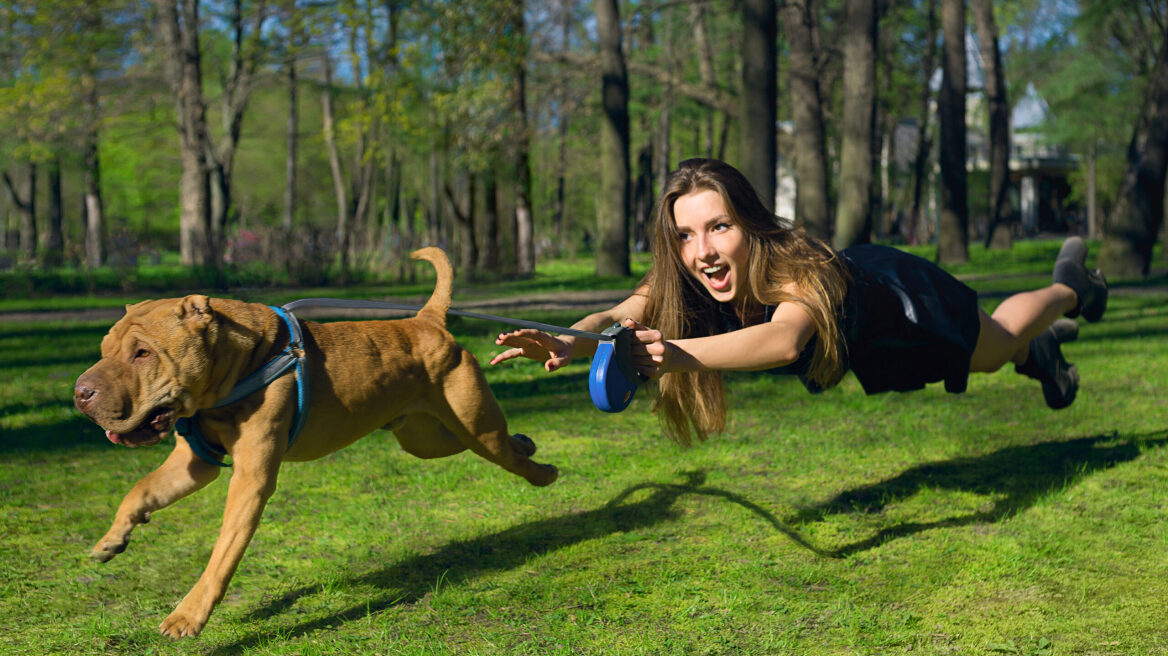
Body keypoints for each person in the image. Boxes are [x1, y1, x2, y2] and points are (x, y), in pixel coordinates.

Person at [490, 158, 1107, 446]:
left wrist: (672, 357)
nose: (701, 250)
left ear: (751, 225)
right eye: (684, 234)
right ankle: (1042, 354)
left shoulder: (800, 267)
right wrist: (571, 340)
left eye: (719, 227)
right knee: (995, 355)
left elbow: (784, 340)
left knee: (994, 345)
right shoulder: (685, 276)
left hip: (898, 299)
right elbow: (616, 316)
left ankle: (1071, 288)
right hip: (865, 353)